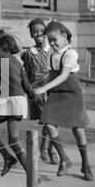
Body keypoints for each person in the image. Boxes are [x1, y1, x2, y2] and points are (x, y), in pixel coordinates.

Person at [34, 21, 94, 181]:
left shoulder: (70, 54)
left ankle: (86, 164)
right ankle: (65, 159)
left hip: (71, 95)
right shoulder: (53, 55)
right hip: (56, 94)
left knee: (78, 131)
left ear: (65, 37)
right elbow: (52, 74)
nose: (52, 43)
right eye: (50, 41)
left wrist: (44, 88)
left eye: (55, 40)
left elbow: (64, 75)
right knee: (48, 124)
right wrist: (40, 82)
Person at [0, 34, 32, 179]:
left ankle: (33, 175)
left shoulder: (0, 59)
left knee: (13, 141)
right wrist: (34, 94)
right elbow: (26, 84)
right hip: (9, 99)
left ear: (3, 47)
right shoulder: (16, 62)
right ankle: (8, 158)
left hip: (14, 101)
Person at [21, 18, 59, 165]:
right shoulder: (28, 53)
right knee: (48, 120)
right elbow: (26, 74)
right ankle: (48, 149)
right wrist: (31, 91)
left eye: (41, 31)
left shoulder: (53, 50)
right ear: (31, 34)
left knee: (51, 121)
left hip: (52, 89)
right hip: (38, 92)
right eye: (34, 31)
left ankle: (47, 149)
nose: (38, 33)